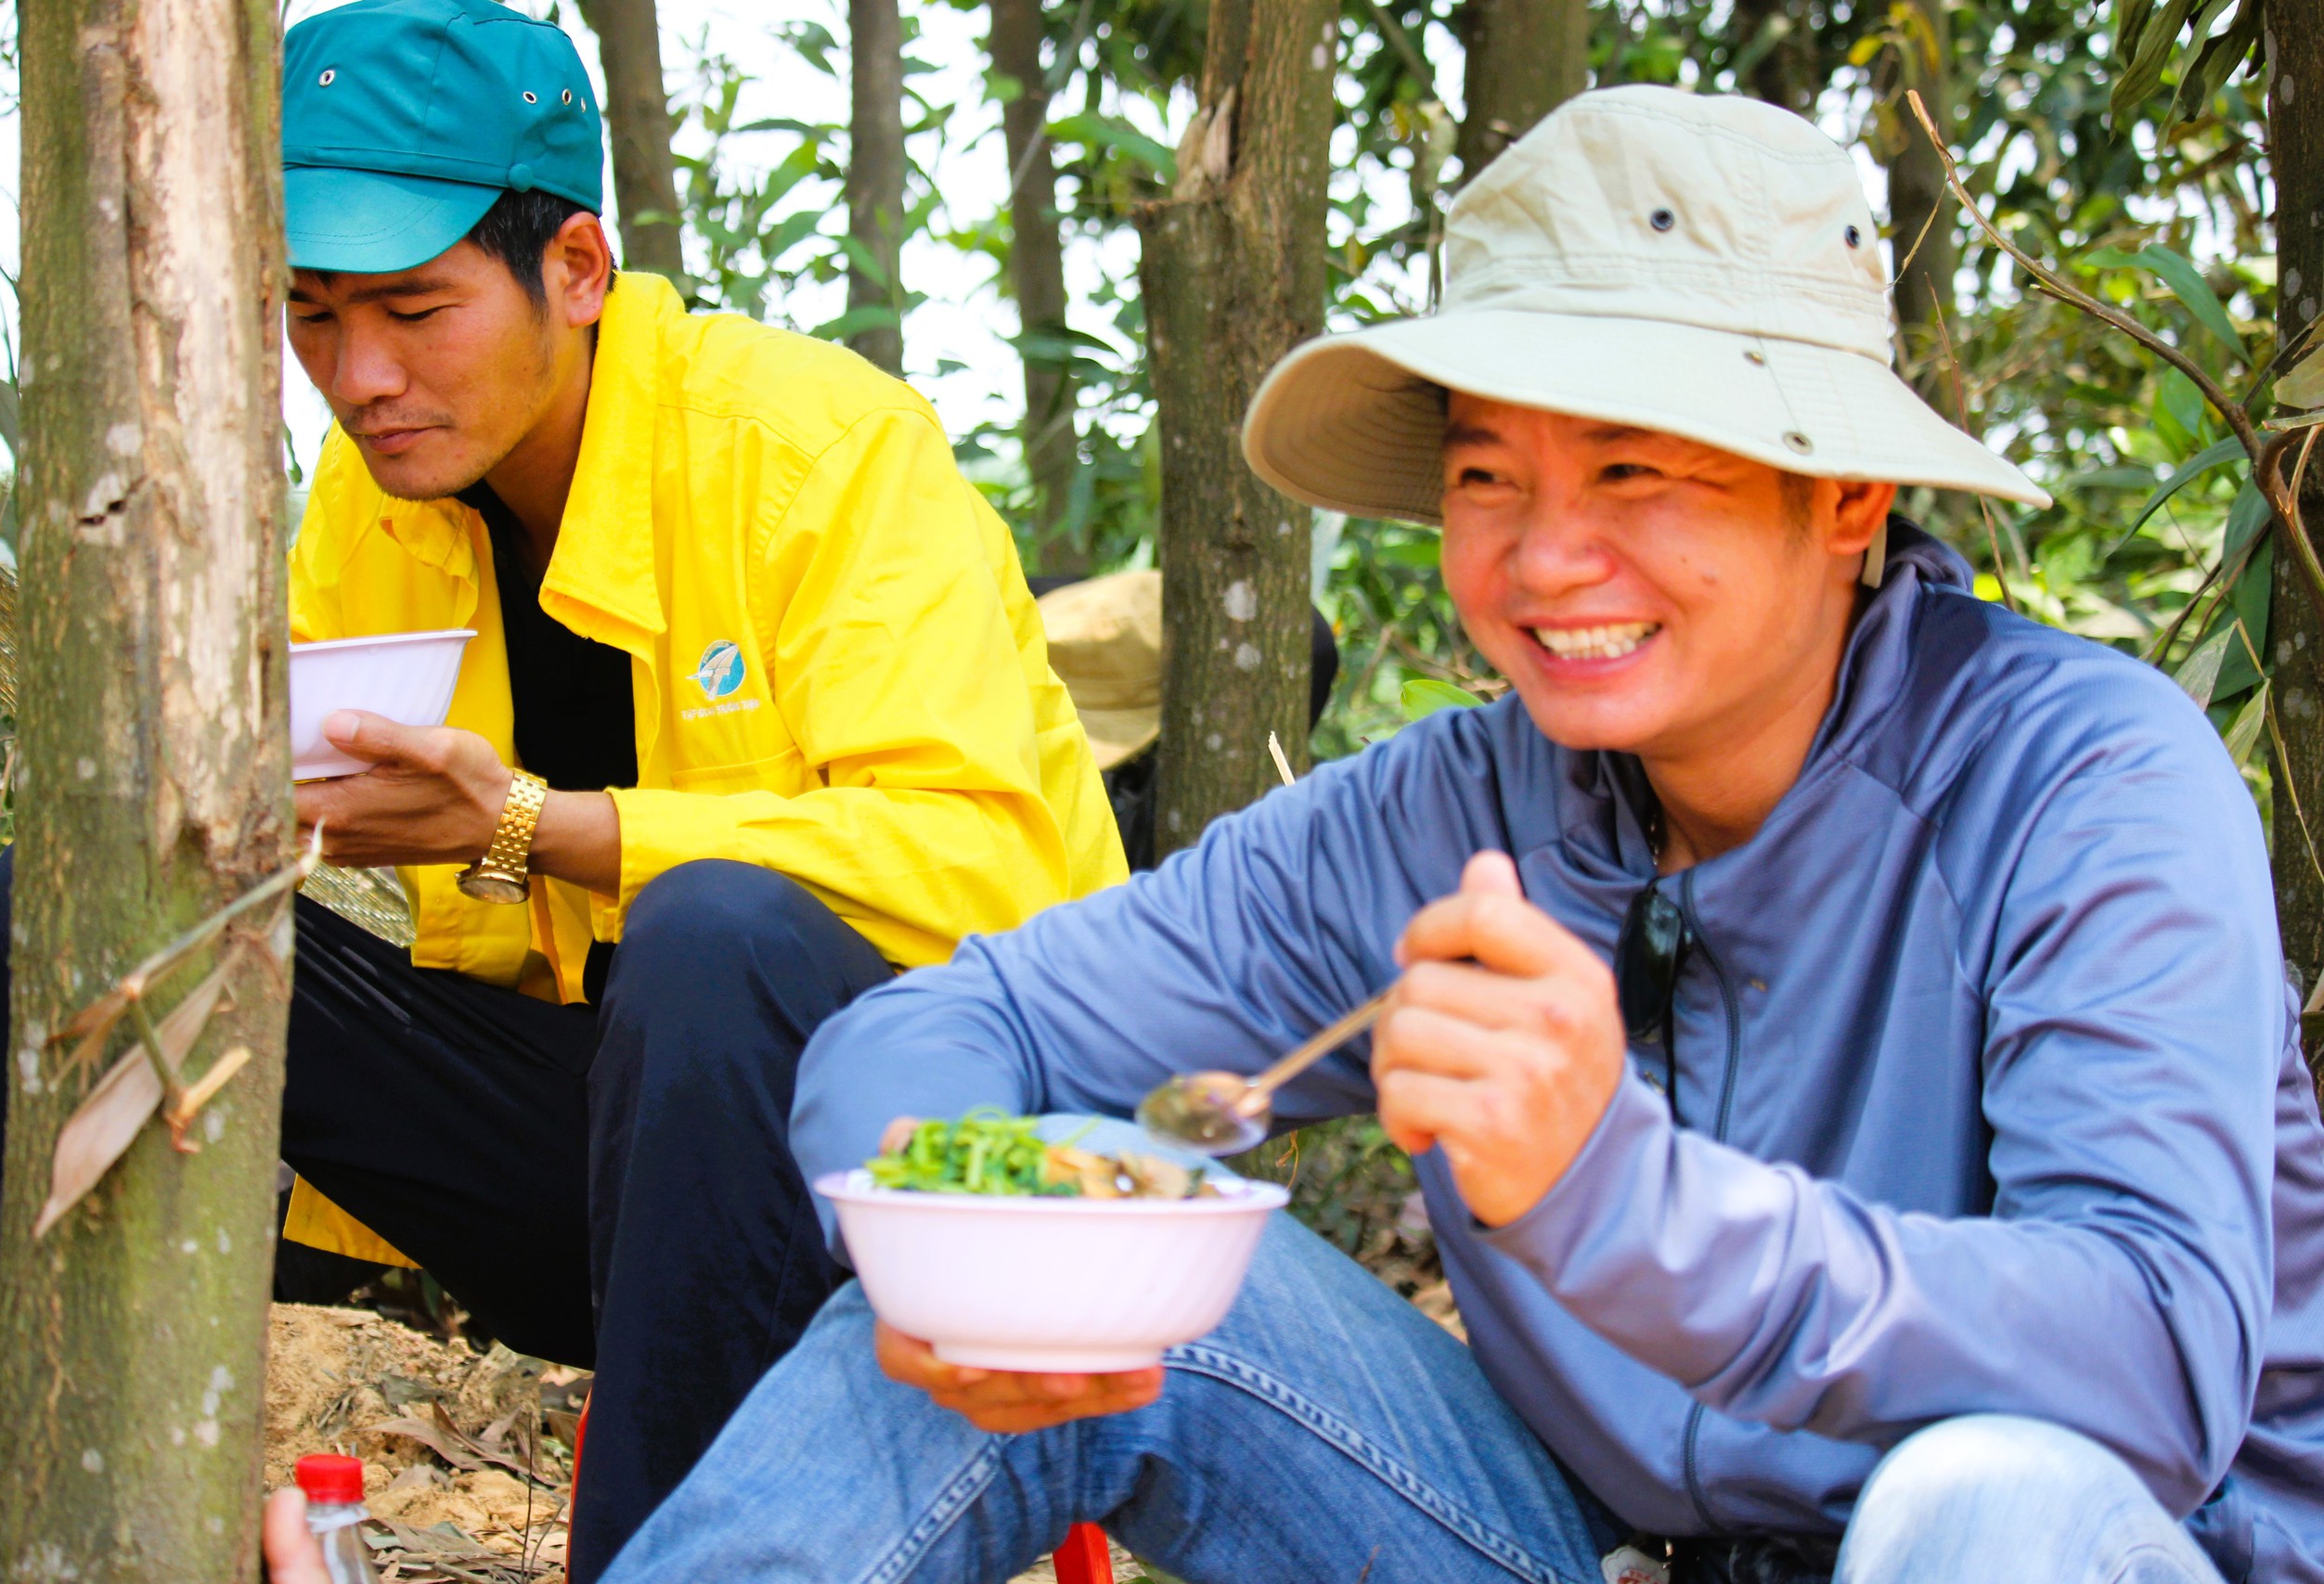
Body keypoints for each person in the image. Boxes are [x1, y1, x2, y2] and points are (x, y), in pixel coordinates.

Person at [594, 87, 2324, 1584]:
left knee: (1980, 1502)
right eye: (1491, 475)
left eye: (1638, 473)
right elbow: (970, 1023)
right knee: (1030, 1229)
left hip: (2088, 1545)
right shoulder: (1456, 814)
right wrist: (961, 1232)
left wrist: (1622, 1201)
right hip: (1598, 1551)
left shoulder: (2081, 780)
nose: (1545, 558)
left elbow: (2155, 1361)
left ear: (1845, 499)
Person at [0, 0, 1122, 1574]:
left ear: (576, 270)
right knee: (72, 904)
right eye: (309, 317)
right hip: (626, 1180)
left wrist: (530, 824)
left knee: (713, 938)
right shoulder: (368, 512)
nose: (357, 378)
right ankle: (45, 1515)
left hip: (926, 1180)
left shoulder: (820, 450)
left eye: (415, 312)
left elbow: (985, 863)